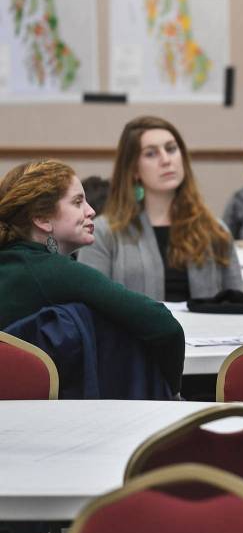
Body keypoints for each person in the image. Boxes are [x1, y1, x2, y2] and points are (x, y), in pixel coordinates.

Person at [0, 159, 184, 393]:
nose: (92, 211)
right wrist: (173, 391)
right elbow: (165, 326)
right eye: (78, 202)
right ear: (42, 219)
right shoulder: (56, 272)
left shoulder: (13, 262)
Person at [79, 116, 242, 302]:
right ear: (134, 169)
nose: (166, 160)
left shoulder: (215, 230)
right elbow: (89, 306)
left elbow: (237, 305)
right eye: (151, 153)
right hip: (133, 332)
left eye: (171, 149)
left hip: (209, 331)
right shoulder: (103, 233)